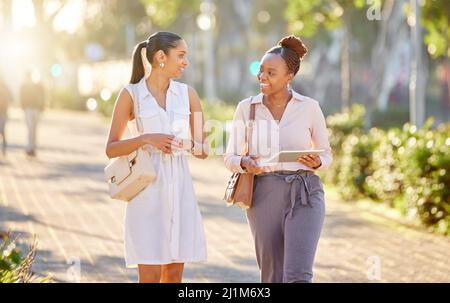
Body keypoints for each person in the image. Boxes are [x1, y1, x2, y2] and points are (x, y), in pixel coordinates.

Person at [224, 35, 333, 283]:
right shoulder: (246, 108)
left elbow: (326, 153)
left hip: (305, 191)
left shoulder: (309, 107)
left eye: (271, 72)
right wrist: (244, 163)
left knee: (298, 275)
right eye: (261, 70)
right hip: (264, 193)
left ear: (289, 77)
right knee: (272, 276)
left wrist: (318, 163)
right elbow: (229, 156)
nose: (263, 76)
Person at [106, 32, 209, 283]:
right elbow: (111, 148)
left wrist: (185, 144)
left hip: (180, 191)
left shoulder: (188, 95)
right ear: (161, 57)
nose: (186, 62)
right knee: (150, 274)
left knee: (174, 275)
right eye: (181, 55)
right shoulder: (131, 94)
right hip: (146, 192)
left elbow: (203, 149)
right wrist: (146, 139)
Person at [19, 71, 45, 157]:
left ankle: (30, 148)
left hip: (30, 109)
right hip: (35, 109)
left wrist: (23, 107)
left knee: (31, 130)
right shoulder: (37, 85)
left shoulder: (25, 86)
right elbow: (42, 96)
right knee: (33, 130)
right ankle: (32, 148)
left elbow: (22, 98)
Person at [0, 78, 13, 156]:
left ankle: (4, 145)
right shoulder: (7, 88)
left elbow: (11, 99)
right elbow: (12, 99)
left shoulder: (6, 89)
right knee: (2, 129)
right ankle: (4, 144)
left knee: (2, 129)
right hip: (4, 112)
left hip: (3, 112)